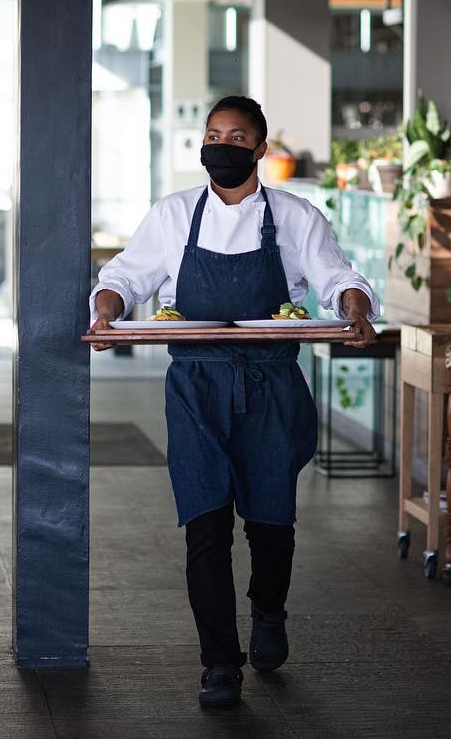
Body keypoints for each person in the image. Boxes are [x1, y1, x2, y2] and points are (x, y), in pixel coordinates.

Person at [89, 95, 378, 708]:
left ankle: (268, 610)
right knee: (206, 525)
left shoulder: (295, 216)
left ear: (260, 149)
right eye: (214, 135)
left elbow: (337, 278)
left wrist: (354, 309)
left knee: (271, 526)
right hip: (196, 385)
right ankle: (219, 663)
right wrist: (107, 313)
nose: (222, 146)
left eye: (237, 137)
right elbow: (124, 277)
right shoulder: (173, 215)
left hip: (271, 386)